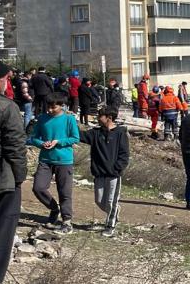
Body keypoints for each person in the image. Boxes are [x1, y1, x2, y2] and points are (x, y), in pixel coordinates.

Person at [0, 57, 27, 284]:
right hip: (0, 185)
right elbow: (16, 149)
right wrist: (19, 178)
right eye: (8, 80)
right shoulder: (6, 106)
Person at [28, 95, 80, 234]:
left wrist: (58, 141)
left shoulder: (69, 119)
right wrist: (41, 143)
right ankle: (54, 209)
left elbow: (75, 138)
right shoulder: (42, 118)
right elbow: (34, 137)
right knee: (38, 187)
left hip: (64, 161)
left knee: (64, 192)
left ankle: (67, 221)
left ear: (62, 105)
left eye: (53, 107)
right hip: (45, 160)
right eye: (48, 107)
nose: (50, 110)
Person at [79, 106, 129, 237]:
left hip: (113, 175)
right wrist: (69, 124)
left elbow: (124, 154)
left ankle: (110, 225)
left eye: (100, 116)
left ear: (109, 118)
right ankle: (115, 211)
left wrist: (117, 168)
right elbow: (79, 135)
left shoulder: (120, 133)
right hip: (99, 173)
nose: (97, 118)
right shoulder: (95, 133)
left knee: (111, 201)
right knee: (99, 200)